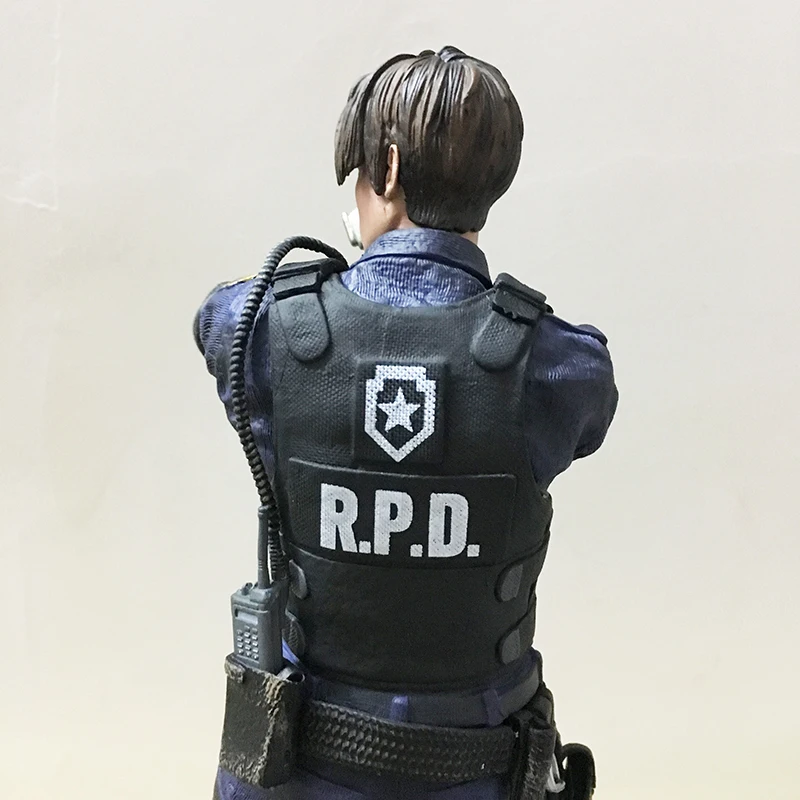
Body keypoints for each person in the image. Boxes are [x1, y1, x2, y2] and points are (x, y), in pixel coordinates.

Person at [195, 46, 618, 800]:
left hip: (298, 769)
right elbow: (591, 408)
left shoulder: (262, 327)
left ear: (386, 170)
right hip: (477, 770)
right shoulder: (558, 365)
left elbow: (212, 321)